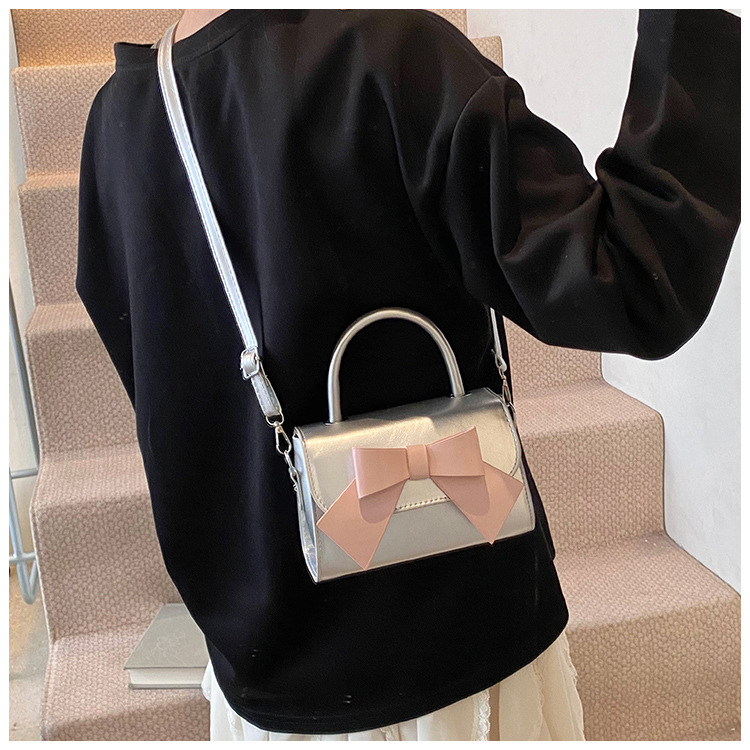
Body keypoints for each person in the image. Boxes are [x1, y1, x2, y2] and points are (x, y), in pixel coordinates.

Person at [76, 8, 740, 741]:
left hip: (262, 684)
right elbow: (638, 282)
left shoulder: (118, 121)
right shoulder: (395, 54)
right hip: (457, 670)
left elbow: (163, 398)